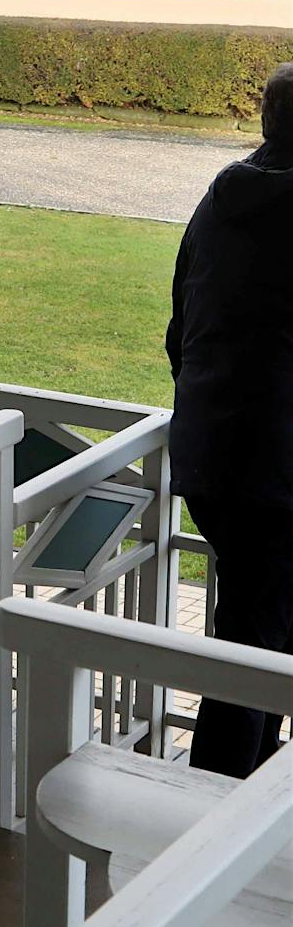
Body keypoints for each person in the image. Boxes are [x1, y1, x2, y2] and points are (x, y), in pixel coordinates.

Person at [165, 60, 293, 775]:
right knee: (253, 646)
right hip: (273, 470)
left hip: (212, 456)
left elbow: (179, 332)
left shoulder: (221, 200)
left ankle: (244, 790)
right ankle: (217, 814)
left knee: (258, 629)